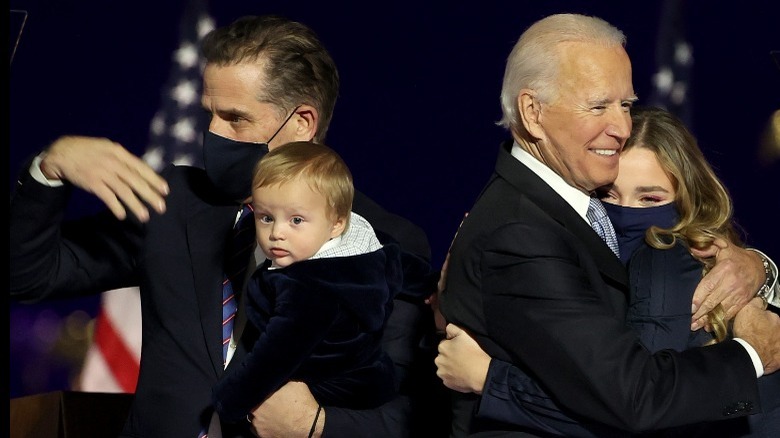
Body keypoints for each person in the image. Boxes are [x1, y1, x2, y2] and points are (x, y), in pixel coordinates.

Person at [9, 15, 441, 438]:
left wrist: (316, 425)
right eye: (209, 114)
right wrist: (50, 169)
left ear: (302, 123)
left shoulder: (383, 242)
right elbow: (25, 277)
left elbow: (408, 414)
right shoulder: (172, 202)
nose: (212, 132)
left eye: (235, 118)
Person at [436, 13, 780, 436]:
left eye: (625, 105)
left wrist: (759, 268)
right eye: (598, 105)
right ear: (532, 111)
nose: (620, 127)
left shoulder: (561, 210)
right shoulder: (520, 232)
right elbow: (634, 399)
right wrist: (755, 352)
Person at [212, 141, 401, 424]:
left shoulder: (307, 287)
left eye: (296, 220)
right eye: (265, 217)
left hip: (332, 386)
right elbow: (399, 267)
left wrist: (227, 402)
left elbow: (275, 355)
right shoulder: (364, 250)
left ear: (337, 223)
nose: (277, 233)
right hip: (371, 374)